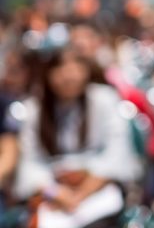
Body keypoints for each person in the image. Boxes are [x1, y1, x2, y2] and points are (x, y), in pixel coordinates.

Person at [14, 48, 141, 228]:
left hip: (98, 189)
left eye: (75, 68)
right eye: (60, 69)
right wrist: (56, 193)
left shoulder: (104, 99)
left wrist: (84, 191)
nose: (68, 76)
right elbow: (30, 163)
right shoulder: (35, 108)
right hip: (54, 194)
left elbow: (117, 153)